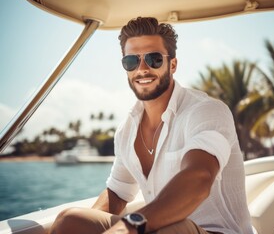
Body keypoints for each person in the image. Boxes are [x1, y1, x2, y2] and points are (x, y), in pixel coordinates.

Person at [50, 17, 253, 234]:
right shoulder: (126, 130)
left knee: (170, 230)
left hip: (215, 231)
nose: (142, 69)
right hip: (158, 228)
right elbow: (118, 193)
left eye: (154, 59)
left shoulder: (206, 111)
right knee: (70, 221)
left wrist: (128, 227)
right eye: (131, 61)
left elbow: (199, 178)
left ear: (172, 64)